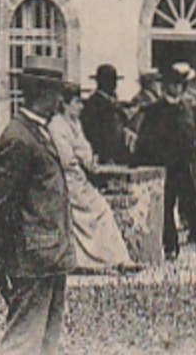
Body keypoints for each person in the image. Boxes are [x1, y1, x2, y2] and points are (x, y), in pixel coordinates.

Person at [0, 56, 73, 355]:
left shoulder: (38, 132)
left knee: (47, 345)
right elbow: (0, 207)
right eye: (58, 93)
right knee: (21, 344)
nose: (61, 101)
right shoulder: (18, 138)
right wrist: (12, 259)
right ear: (43, 94)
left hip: (50, 255)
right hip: (32, 259)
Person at [48, 81, 133, 270]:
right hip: (66, 179)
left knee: (101, 210)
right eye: (76, 103)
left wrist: (88, 160)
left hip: (78, 177)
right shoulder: (57, 126)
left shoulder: (75, 124)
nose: (80, 107)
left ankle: (116, 258)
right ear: (65, 104)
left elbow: (85, 150)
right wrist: (84, 159)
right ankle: (94, 260)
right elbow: (66, 157)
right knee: (95, 211)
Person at [135, 63, 196, 260]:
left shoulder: (189, 109)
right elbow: (145, 140)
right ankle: (170, 246)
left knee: (193, 204)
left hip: (185, 166)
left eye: (180, 85)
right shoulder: (153, 111)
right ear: (166, 87)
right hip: (164, 165)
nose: (176, 89)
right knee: (166, 206)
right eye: (173, 85)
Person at [79, 64, 132, 166]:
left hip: (117, 156)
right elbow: (94, 133)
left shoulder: (113, 103)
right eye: (111, 81)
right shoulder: (94, 104)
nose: (114, 85)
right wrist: (105, 156)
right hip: (104, 158)